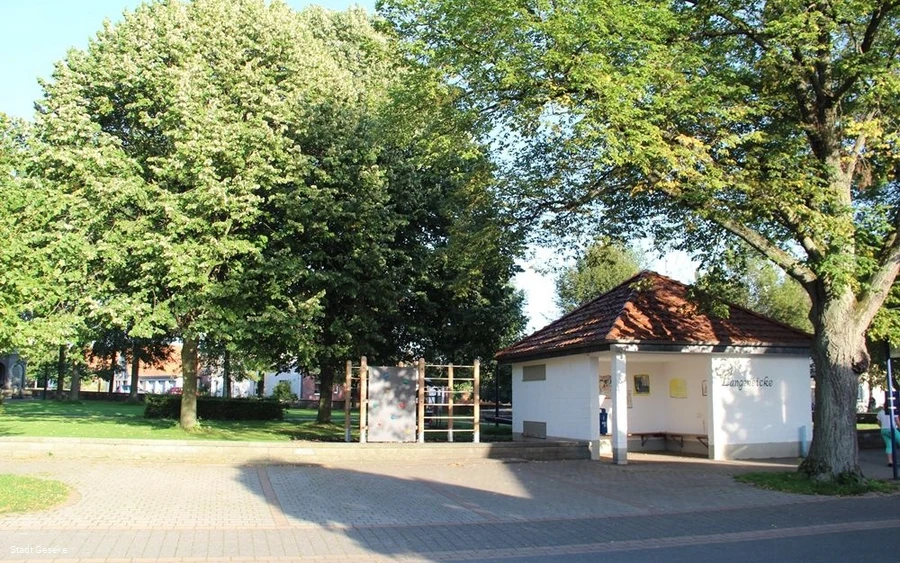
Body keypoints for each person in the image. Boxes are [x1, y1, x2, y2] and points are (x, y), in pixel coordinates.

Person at [877, 401, 900, 466]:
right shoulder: (893, 412)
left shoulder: (880, 412)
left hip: (884, 430)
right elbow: (898, 423)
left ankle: (890, 461)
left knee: (889, 446)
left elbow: (878, 422)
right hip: (892, 429)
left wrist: (882, 426)